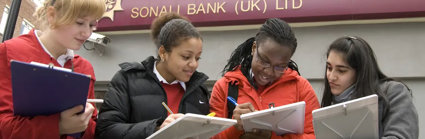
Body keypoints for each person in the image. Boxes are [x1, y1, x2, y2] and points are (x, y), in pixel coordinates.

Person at [0, 0, 105, 138]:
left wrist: (85, 121)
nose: (87, 33)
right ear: (52, 15)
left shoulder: (84, 67)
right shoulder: (10, 52)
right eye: (80, 22)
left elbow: (91, 131)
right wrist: (58, 126)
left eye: (92, 25)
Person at [95, 13, 210, 139]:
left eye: (198, 58)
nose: (194, 64)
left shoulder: (199, 91)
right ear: (163, 52)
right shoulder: (127, 79)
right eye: (186, 57)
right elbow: (105, 131)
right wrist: (155, 128)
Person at [209, 18, 319, 139]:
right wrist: (236, 128)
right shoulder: (225, 86)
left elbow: (317, 136)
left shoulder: (301, 88)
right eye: (264, 61)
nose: (269, 72)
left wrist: (271, 136)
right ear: (254, 48)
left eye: (280, 67)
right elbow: (209, 136)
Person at [322, 36, 419, 139]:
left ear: (361, 72)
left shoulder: (394, 93)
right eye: (329, 68)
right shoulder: (329, 104)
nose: (331, 77)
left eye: (341, 71)